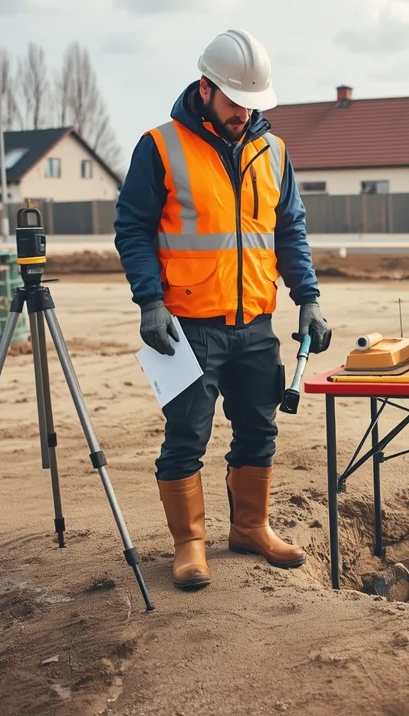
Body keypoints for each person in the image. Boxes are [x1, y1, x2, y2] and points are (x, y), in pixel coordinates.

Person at [113, 29, 331, 591]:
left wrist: (307, 298)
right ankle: (190, 544)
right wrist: (149, 301)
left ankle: (250, 527)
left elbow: (290, 230)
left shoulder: (274, 150)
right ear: (205, 88)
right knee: (186, 435)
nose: (245, 113)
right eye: (236, 101)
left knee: (258, 431)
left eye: (253, 103)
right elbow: (132, 228)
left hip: (255, 326)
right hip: (188, 327)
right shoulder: (159, 147)